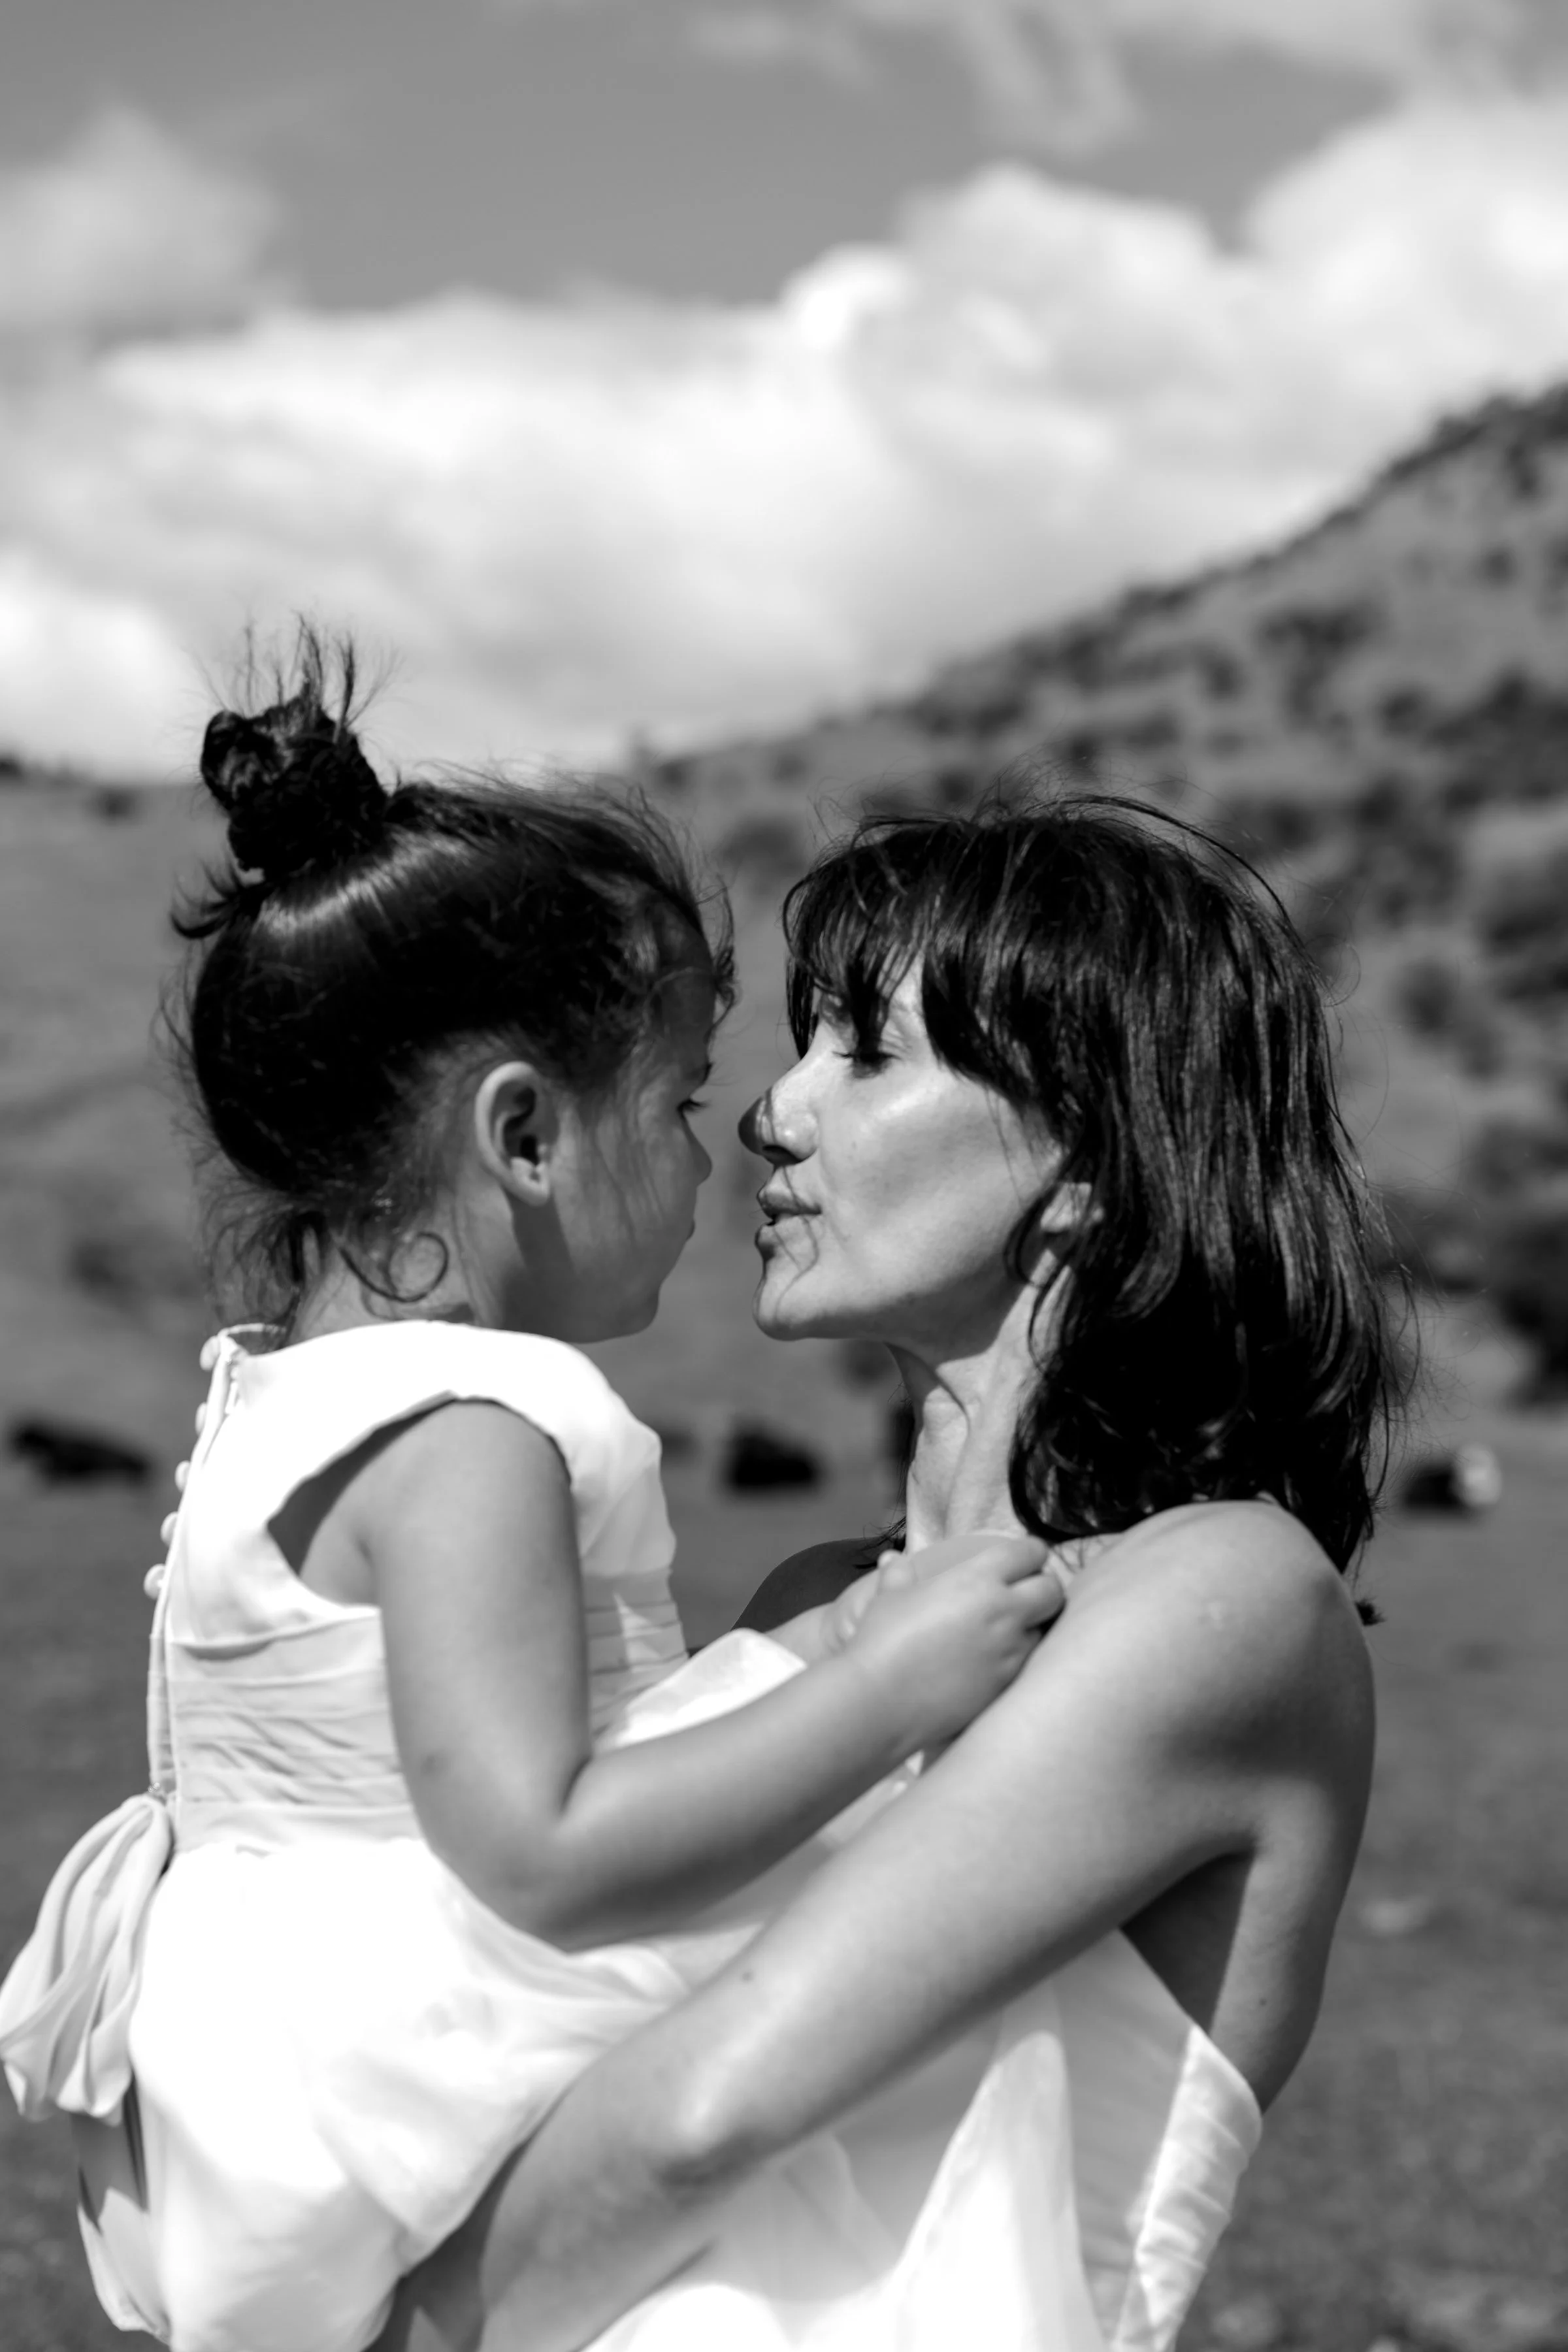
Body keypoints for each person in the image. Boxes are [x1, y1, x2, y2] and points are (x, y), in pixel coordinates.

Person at [0, 642, 1062, 2352]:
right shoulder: (472, 1419)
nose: (722, 1151)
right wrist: (883, 1689)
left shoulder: (276, 1391)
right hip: (400, 2068)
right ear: (525, 1138)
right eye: (681, 1101)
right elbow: (543, 1849)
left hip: (257, 2068)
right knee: (893, 2057)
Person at [374, 791, 1399, 2352]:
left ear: (1089, 1164)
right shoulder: (815, 1599)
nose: (772, 1115)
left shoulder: (1220, 1602)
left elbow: (705, 2115)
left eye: (866, 1051)